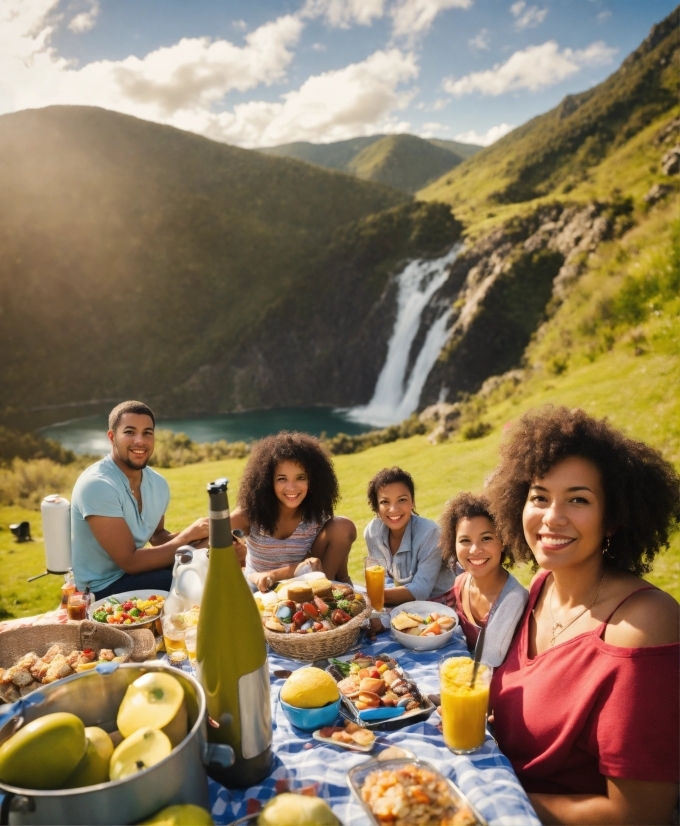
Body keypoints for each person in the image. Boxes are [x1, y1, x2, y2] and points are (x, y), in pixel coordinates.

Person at [486, 406, 679, 826]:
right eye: (539, 497)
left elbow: (638, 815)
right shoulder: (542, 585)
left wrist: (483, 794)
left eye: (578, 499)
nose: (552, 517)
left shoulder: (644, 626)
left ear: (612, 519)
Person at [71, 401, 209, 599]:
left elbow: (158, 536)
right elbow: (131, 562)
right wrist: (187, 537)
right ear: (112, 437)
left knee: (204, 566)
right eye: (129, 432)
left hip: (136, 573)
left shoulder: (158, 483)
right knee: (188, 583)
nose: (140, 440)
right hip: (101, 588)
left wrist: (202, 541)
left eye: (147, 432)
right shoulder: (97, 485)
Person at [230, 431, 356, 592]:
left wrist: (344, 580)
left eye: (300, 478)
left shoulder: (316, 515)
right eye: (282, 479)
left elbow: (310, 564)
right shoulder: (250, 514)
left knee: (343, 525)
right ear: (267, 481)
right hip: (257, 589)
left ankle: (324, 592)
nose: (292, 488)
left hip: (299, 585)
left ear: (313, 480)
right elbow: (211, 539)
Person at [439, 492, 527, 667]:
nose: (474, 550)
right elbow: (434, 615)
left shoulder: (513, 599)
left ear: (503, 541)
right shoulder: (462, 582)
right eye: (465, 540)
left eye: (486, 538)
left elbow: (488, 664)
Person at [364, 467, 455, 605]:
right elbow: (382, 580)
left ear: (412, 502)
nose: (393, 509)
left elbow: (420, 590)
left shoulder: (430, 533)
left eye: (402, 500)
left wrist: (369, 596)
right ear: (376, 507)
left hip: (442, 605)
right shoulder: (372, 532)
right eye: (385, 502)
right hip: (405, 604)